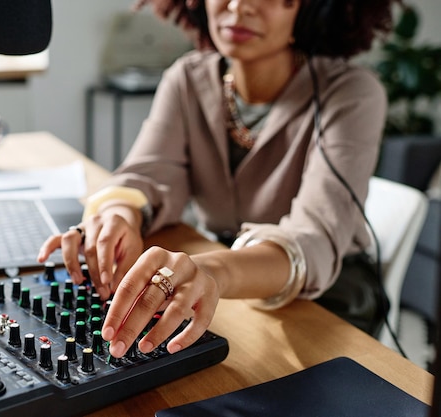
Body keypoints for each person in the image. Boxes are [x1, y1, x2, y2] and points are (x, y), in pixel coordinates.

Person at [38, 0, 398, 358]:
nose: (239, 6)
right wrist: (118, 214)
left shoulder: (351, 92)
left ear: (311, 9)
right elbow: (148, 172)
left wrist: (211, 270)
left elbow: (313, 238)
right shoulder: (187, 79)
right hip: (223, 283)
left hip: (324, 299)